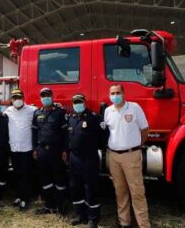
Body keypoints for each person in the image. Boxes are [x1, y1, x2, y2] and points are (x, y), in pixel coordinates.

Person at [104, 84, 150, 228]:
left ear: (123, 93)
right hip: (113, 156)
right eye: (112, 93)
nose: (115, 95)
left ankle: (143, 224)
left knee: (137, 192)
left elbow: (144, 128)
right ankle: (125, 222)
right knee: (120, 192)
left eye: (118, 92)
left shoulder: (134, 107)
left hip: (131, 156)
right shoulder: (108, 111)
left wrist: (136, 146)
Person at [66, 93, 106, 228]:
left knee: (91, 188)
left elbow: (103, 137)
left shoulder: (94, 118)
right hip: (74, 158)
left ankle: (93, 218)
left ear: (85, 102)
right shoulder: (70, 118)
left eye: (80, 102)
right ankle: (80, 215)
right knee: (75, 187)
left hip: (89, 158)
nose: (77, 104)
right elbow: (68, 138)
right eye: (75, 102)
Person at [32, 88, 68, 215]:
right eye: (43, 96)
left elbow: (65, 133)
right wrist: (35, 148)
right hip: (42, 151)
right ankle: (49, 205)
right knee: (45, 179)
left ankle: (61, 206)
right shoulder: (36, 113)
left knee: (59, 179)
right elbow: (34, 132)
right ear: (40, 98)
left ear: (52, 97)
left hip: (56, 151)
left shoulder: (60, 112)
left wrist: (64, 149)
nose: (45, 98)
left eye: (48, 95)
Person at [4, 88, 37, 211]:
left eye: (19, 97)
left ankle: (25, 199)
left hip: (26, 149)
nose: (17, 100)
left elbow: (44, 111)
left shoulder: (32, 110)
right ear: (11, 100)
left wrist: (56, 105)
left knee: (25, 174)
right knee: (17, 174)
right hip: (14, 148)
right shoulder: (8, 111)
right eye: (15, 98)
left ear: (23, 98)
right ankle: (18, 196)